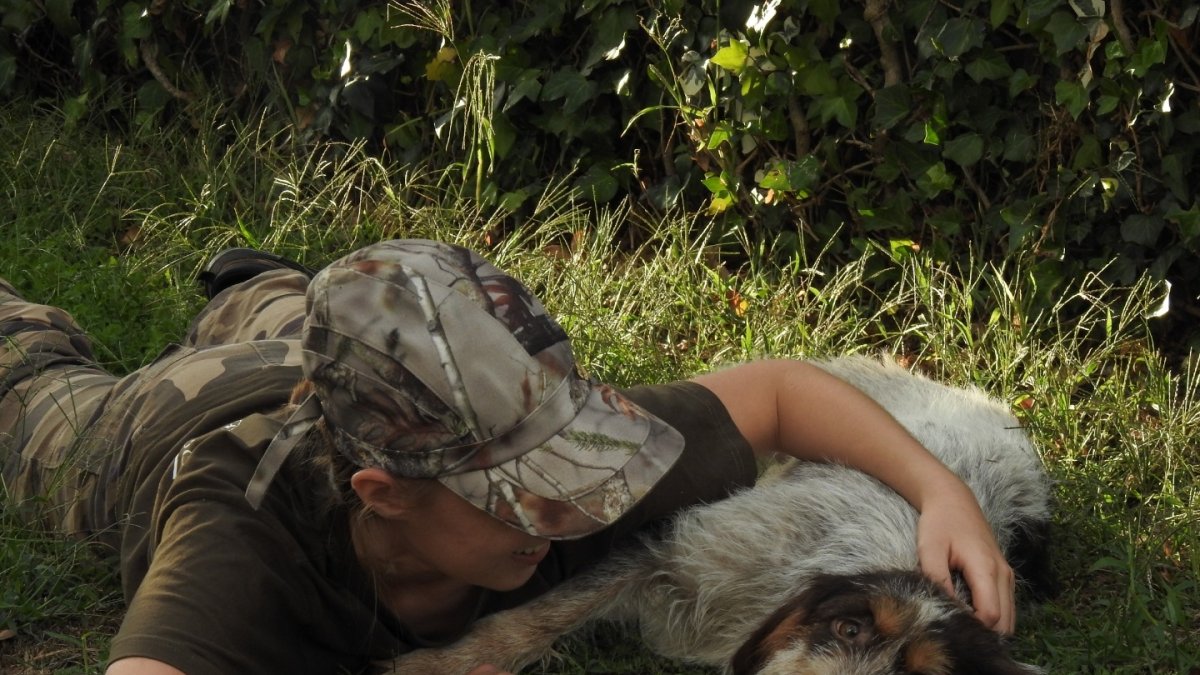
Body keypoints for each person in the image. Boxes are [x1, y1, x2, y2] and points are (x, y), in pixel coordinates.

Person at [0, 239, 1015, 675]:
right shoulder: (237, 547)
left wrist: (941, 493)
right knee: (34, 393)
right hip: (171, 429)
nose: (575, 506)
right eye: (523, 497)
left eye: (575, 460)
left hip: (319, 371)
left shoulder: (578, 459)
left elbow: (787, 392)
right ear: (382, 495)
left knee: (296, 315)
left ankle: (265, 288)